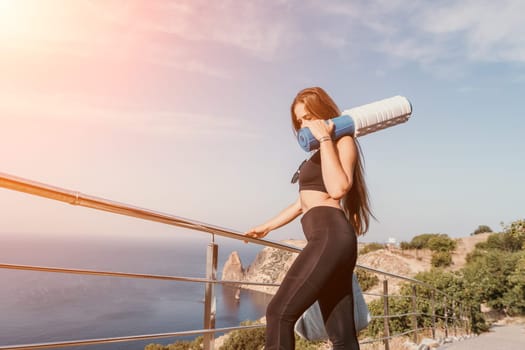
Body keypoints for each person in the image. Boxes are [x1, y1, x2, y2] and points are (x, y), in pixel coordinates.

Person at [244, 87, 374, 349]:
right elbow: (302, 203)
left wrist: (325, 139)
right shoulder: (318, 155)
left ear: (324, 114)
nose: (304, 125)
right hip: (330, 238)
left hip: (331, 236)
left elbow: (338, 189)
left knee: (279, 313)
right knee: (341, 334)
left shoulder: (341, 142)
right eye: (299, 121)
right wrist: (266, 227)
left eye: (308, 117)